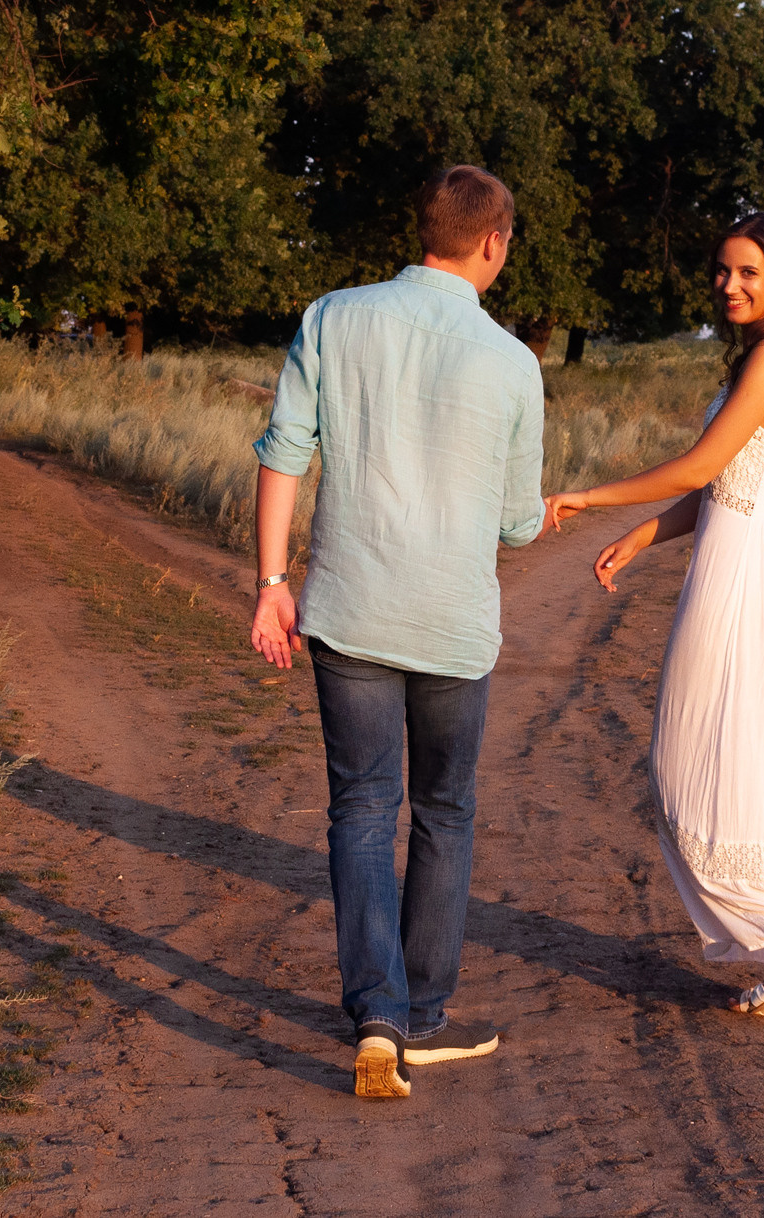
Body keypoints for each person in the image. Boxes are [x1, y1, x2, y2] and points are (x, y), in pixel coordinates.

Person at [251, 165, 546, 1099]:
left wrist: (269, 584)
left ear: (423, 226)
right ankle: (422, 1015)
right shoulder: (513, 363)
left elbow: (283, 452)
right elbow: (516, 523)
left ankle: (373, 1016)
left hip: (350, 611)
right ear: (494, 242)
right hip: (454, 626)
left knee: (362, 808)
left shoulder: (334, 317)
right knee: (444, 811)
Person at [543, 213, 764, 1014]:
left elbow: (699, 465)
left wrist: (587, 496)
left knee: (686, 766)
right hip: (759, 559)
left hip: (749, 576)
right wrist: (643, 536)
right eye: (722, 271)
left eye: (748, 272)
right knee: (759, 769)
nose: (730, 285)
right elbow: (723, 486)